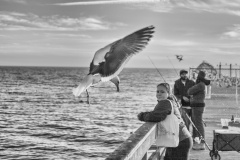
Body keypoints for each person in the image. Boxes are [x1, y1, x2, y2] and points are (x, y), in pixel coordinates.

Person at [138, 83, 192, 160]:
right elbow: (157, 114)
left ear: (168, 93)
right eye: (157, 92)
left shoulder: (165, 103)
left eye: (162, 92)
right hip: (179, 140)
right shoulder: (171, 101)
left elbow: (155, 116)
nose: (159, 94)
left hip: (180, 142)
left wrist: (141, 116)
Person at [187, 71, 210, 150]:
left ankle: (202, 143)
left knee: (198, 124)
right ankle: (198, 141)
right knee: (197, 124)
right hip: (197, 106)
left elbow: (189, 91)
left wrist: (193, 86)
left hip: (197, 107)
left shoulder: (200, 85)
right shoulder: (202, 84)